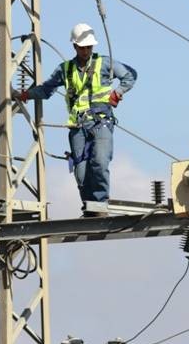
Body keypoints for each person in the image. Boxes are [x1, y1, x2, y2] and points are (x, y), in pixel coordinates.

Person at [12, 23, 137, 217]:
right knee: (81, 172)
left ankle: (100, 205)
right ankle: (89, 208)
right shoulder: (66, 69)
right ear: (75, 46)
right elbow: (47, 90)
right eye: (82, 47)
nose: (86, 51)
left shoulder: (104, 63)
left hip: (101, 122)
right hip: (78, 127)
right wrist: (26, 95)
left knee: (100, 162)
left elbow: (130, 75)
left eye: (88, 47)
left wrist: (118, 92)